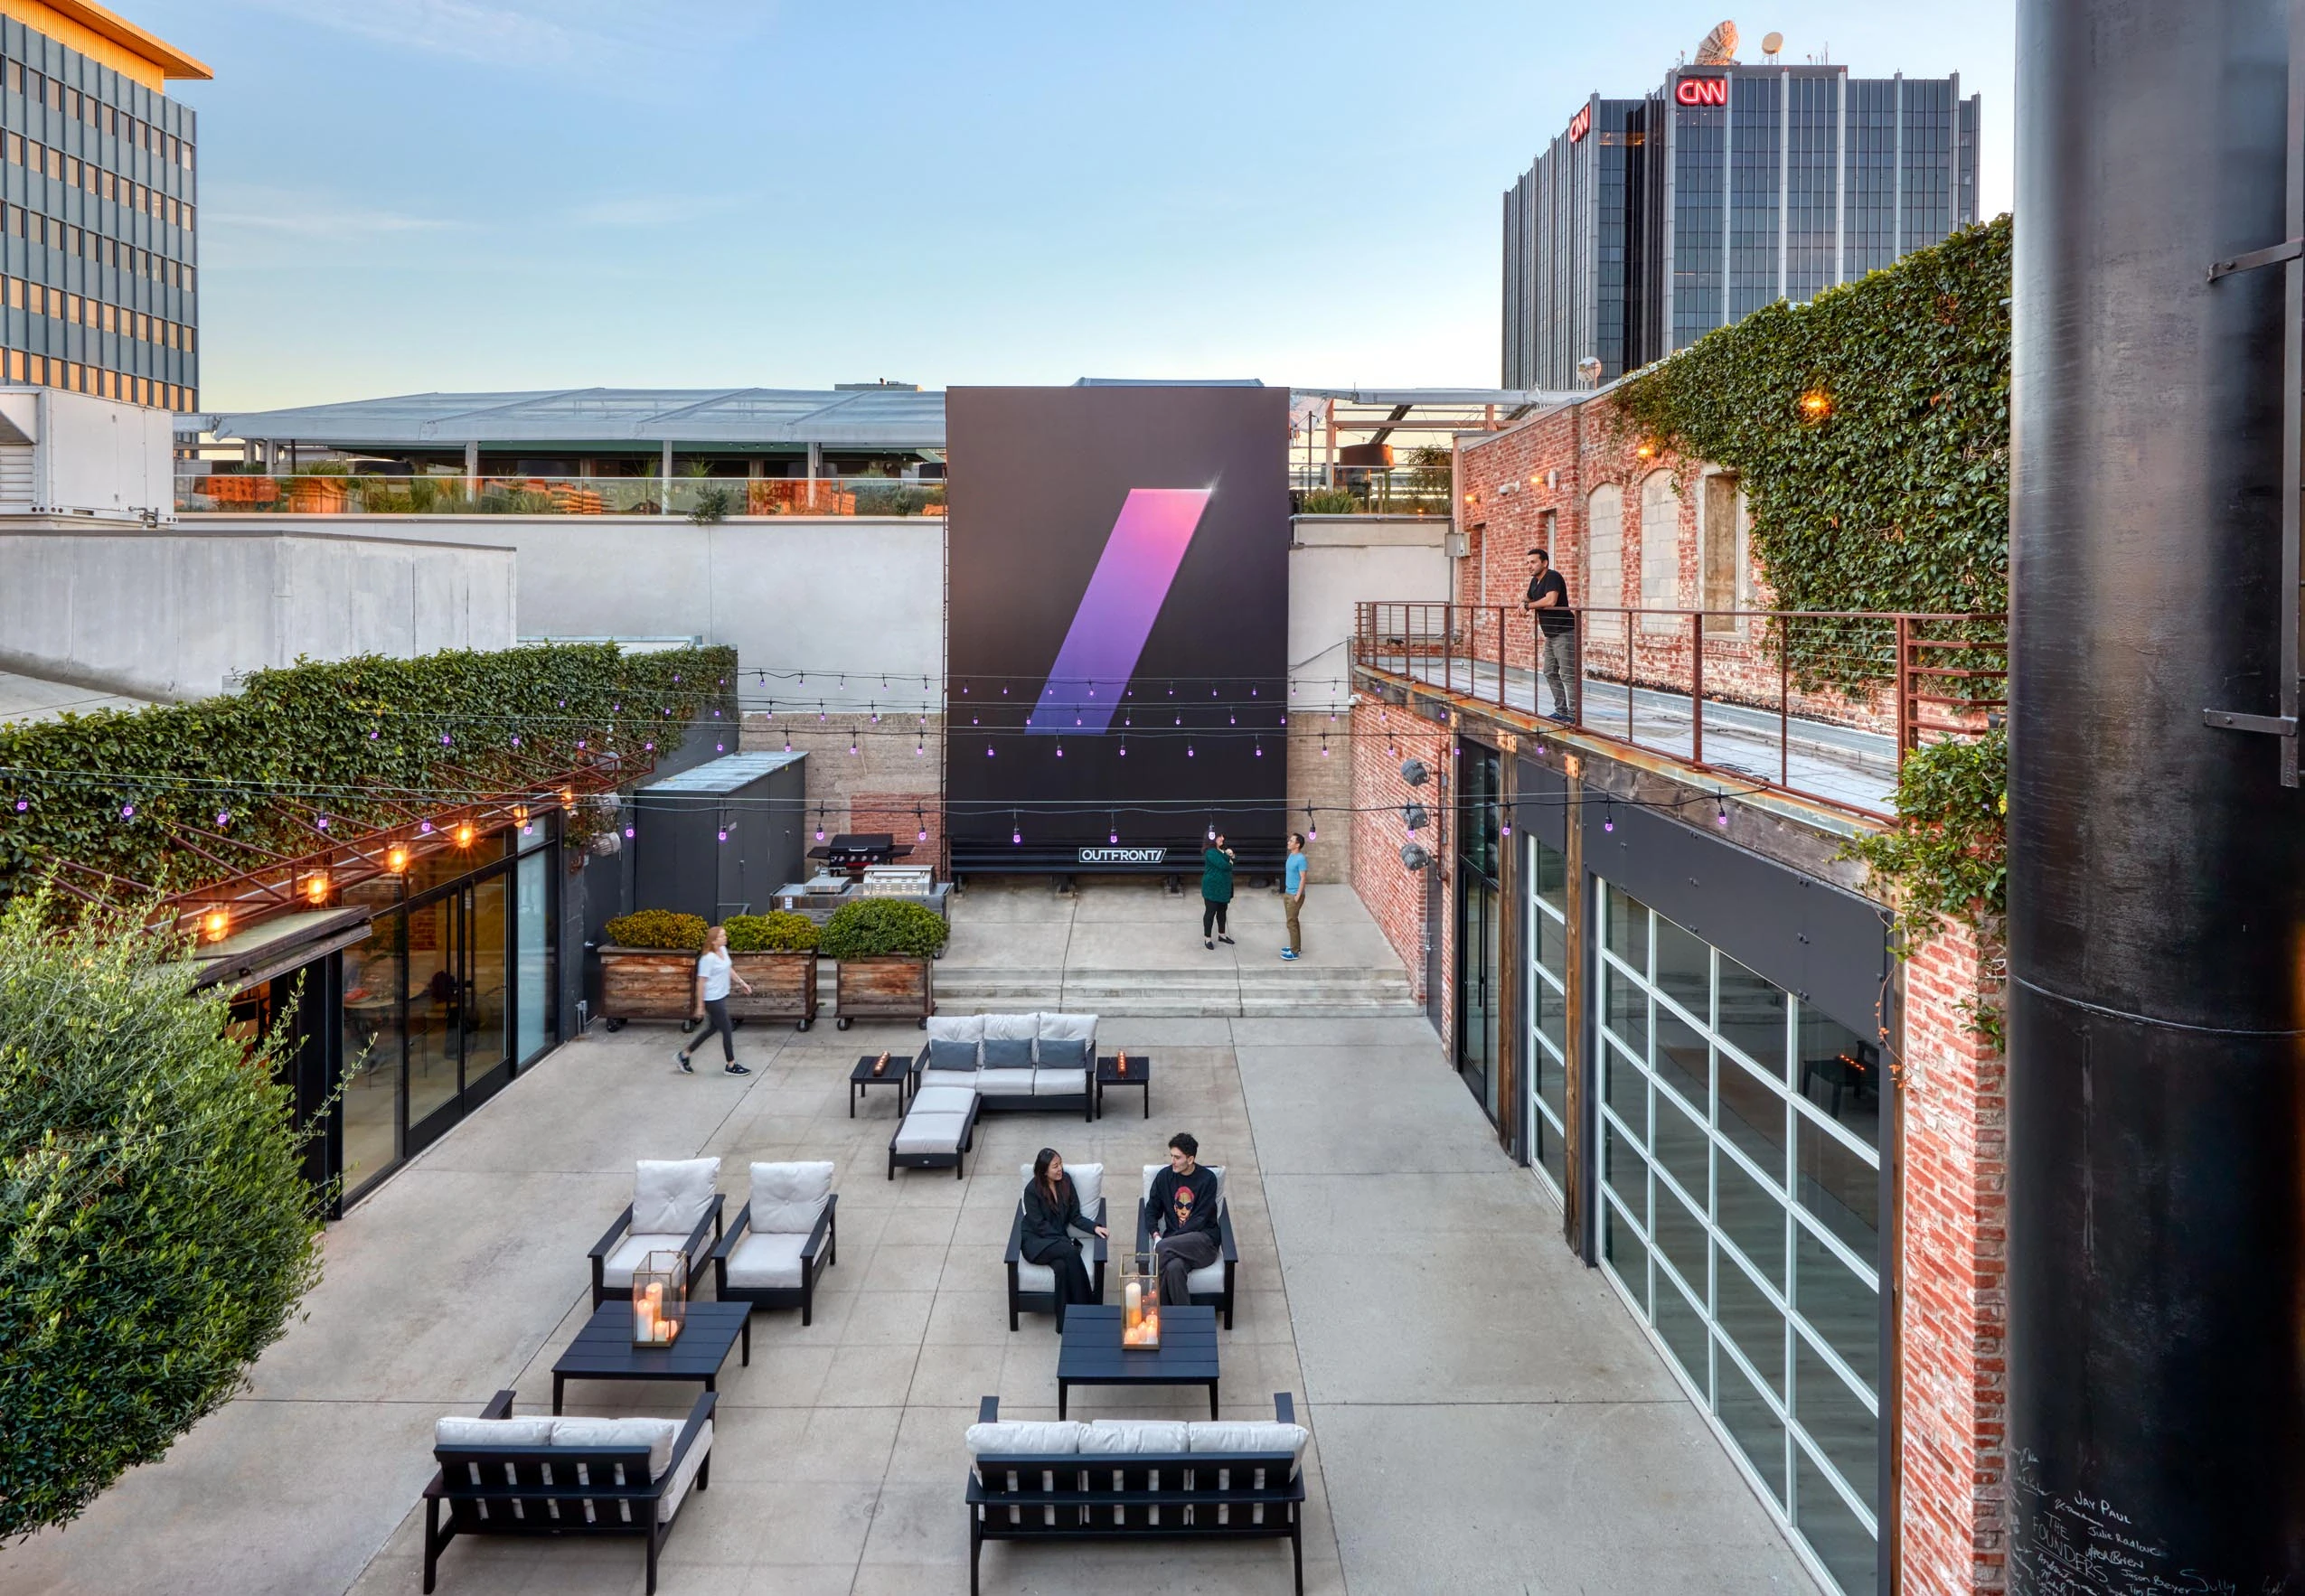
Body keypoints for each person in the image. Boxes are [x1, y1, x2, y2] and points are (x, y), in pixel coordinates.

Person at [1021, 1147, 1108, 1329]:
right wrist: (1064, 1241)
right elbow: (1039, 1225)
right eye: (1055, 1166)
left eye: (1060, 1164)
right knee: (1070, 1251)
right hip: (1036, 1242)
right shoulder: (1032, 1190)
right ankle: (1089, 1308)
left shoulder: (1066, 1181)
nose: (1060, 1169)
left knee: (1061, 1268)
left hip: (1056, 1240)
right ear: (1044, 1170)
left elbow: (1075, 1216)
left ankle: (1064, 1323)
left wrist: (1095, 1227)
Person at [1144, 1131, 1221, 1308]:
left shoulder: (1207, 1179)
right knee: (1174, 1269)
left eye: (1177, 1157)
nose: (1173, 1161)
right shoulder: (1164, 1177)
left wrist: (1165, 1242)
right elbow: (1150, 1210)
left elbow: (1200, 1220)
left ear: (1190, 1159)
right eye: (1171, 1156)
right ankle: (1185, 1318)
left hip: (1203, 1242)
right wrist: (1156, 1235)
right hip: (1175, 1248)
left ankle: (1154, 1309)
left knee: (1163, 1247)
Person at [676, 925, 753, 1076]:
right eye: (722, 936)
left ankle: (684, 1055)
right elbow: (701, 982)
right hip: (712, 999)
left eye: (725, 935)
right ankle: (731, 1065)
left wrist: (742, 983)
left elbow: (728, 968)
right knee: (727, 1029)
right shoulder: (708, 958)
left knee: (712, 1029)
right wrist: (700, 1006)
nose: (725, 938)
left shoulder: (723, 950)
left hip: (721, 995)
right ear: (713, 941)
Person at [1524, 547, 1577, 722]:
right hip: (1551, 633)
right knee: (1549, 672)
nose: (1529, 566)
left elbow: (1551, 600)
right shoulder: (1535, 581)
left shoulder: (1553, 577)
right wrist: (1523, 603)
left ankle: (1574, 715)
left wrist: (1528, 606)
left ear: (1544, 563)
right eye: (1528, 563)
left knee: (1568, 674)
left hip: (1564, 631)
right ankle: (1561, 711)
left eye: (1533, 562)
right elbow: (1528, 598)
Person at [1200, 831, 1236, 950]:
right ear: (1212, 839)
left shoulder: (1221, 851)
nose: (1223, 838)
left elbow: (1230, 859)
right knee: (1210, 913)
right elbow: (1225, 866)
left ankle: (1222, 935)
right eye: (1220, 836)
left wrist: (1230, 856)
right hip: (1212, 889)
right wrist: (1230, 860)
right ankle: (1207, 938)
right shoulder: (1211, 852)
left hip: (1223, 888)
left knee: (1222, 912)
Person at [1281, 831, 1308, 962]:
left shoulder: (1301, 859)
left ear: (1297, 845)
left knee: (1291, 923)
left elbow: (1303, 878)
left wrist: (1297, 895)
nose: (1289, 842)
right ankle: (1296, 946)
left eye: (1291, 841)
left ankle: (1294, 952)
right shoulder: (1291, 855)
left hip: (1295, 895)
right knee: (1293, 921)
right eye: (1289, 840)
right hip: (1288, 892)